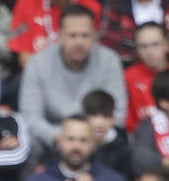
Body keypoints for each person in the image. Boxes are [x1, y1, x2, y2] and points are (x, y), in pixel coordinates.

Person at [18, 4, 127, 153]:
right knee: (31, 145)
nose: (79, 42)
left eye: (85, 35)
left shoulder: (109, 60)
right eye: (72, 35)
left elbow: (118, 113)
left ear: (94, 35)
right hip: (54, 137)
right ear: (60, 35)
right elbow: (30, 117)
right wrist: (65, 138)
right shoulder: (37, 63)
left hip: (98, 138)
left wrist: (86, 138)